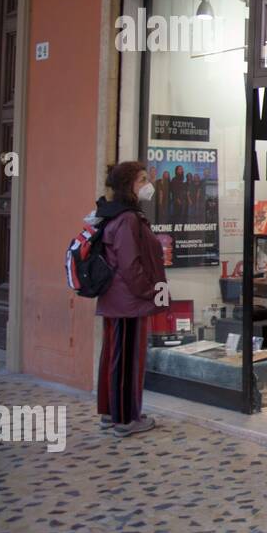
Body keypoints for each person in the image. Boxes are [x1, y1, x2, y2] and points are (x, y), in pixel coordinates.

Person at [91, 161, 168, 436]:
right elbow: (130, 264)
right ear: (129, 186)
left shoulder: (118, 215)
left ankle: (112, 412)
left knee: (114, 356)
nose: (148, 184)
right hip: (128, 301)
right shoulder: (127, 219)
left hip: (118, 299)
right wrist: (150, 291)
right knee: (125, 360)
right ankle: (125, 419)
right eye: (142, 179)